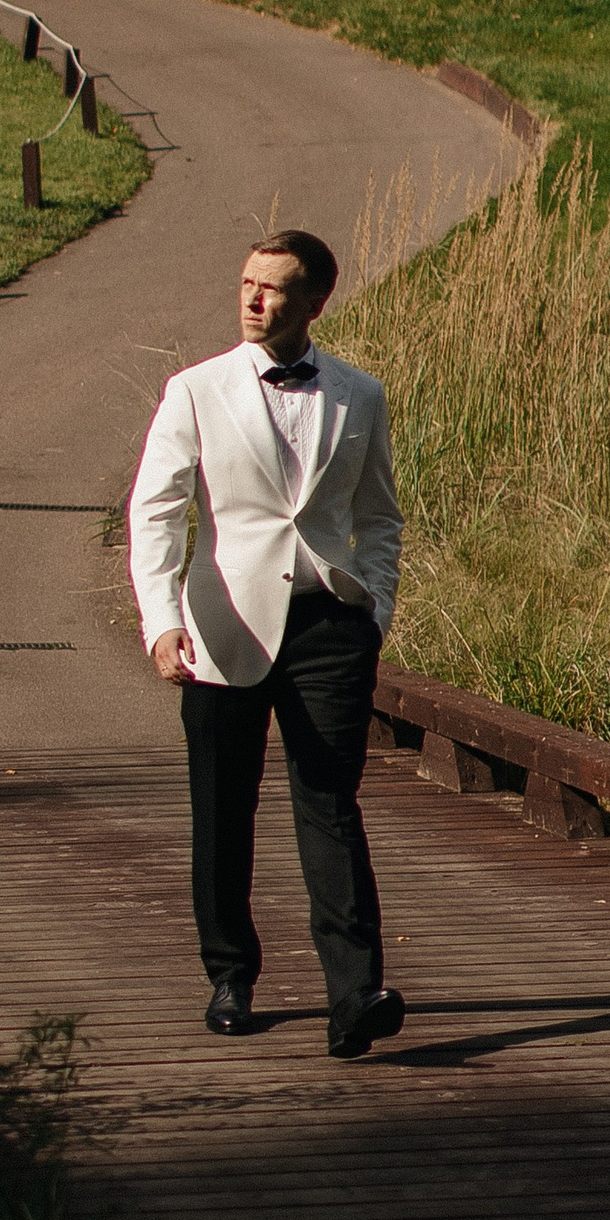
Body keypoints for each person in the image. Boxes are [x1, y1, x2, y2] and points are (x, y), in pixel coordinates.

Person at [127, 231, 406, 1054]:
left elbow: (379, 515)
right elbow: (155, 511)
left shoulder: (361, 393)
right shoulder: (194, 389)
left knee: (330, 802)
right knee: (223, 804)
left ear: (314, 302)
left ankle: (355, 995)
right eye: (247, 283)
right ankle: (229, 973)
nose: (253, 299)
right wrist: (160, 619)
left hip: (327, 623)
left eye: (273, 289)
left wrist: (374, 609)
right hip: (223, 623)